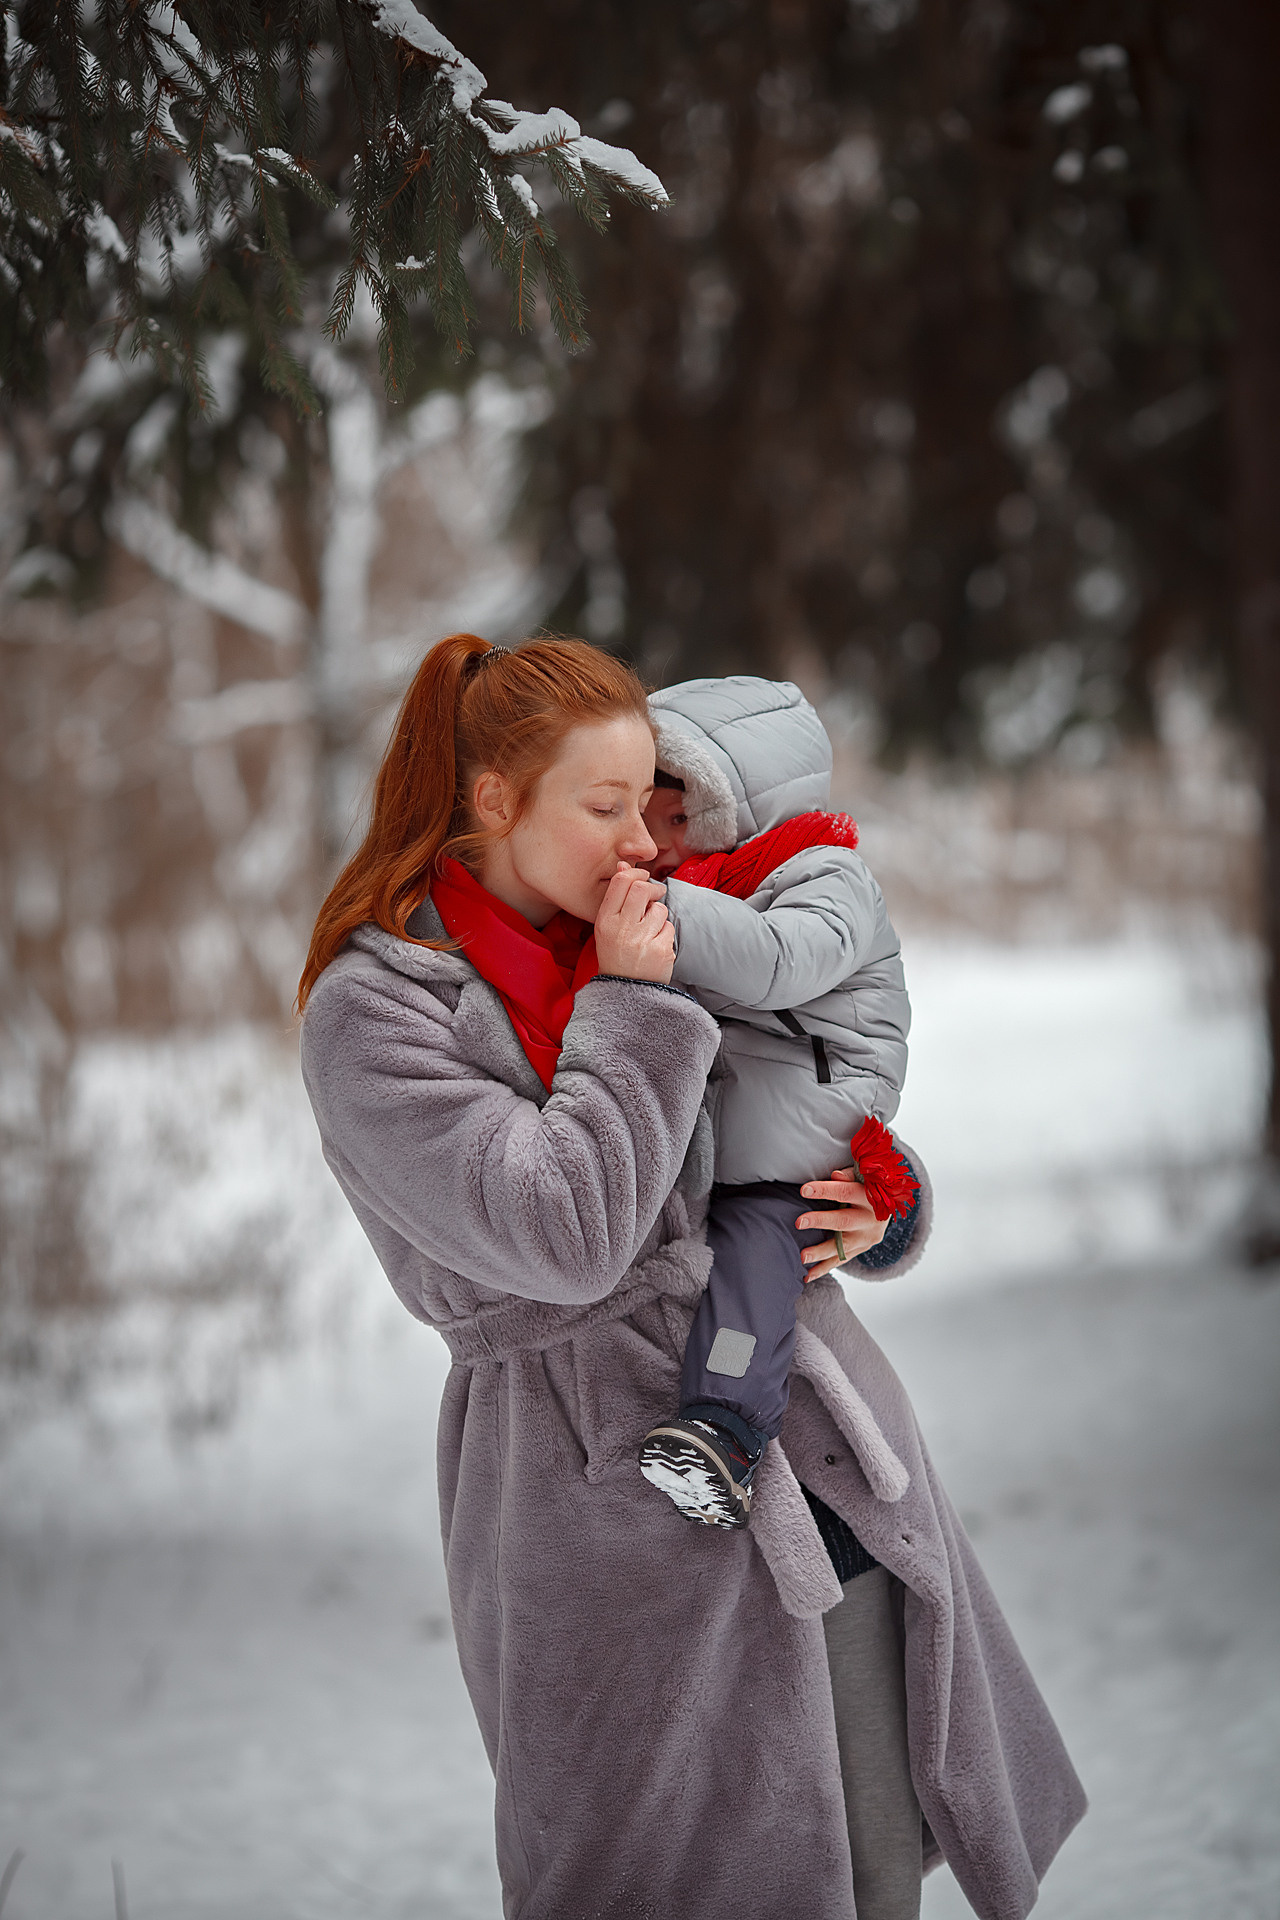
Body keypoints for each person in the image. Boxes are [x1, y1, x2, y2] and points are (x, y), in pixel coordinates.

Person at [297, 630, 1085, 1920]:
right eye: (604, 806)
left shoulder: (645, 927)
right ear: (494, 800)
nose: (645, 845)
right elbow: (566, 1234)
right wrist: (636, 1003)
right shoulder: (377, 1018)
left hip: (823, 1460)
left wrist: (875, 1201)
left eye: (644, 802)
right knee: (658, 1877)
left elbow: (789, 1104)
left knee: (870, 1872)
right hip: (605, 1503)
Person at [636, 675, 917, 1530]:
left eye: (675, 818)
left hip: (811, 1123)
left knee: (755, 1257)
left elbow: (779, 963)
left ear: (738, 804)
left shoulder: (828, 876)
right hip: (756, 1116)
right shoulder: (718, 886)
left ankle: (725, 1429)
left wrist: (665, 909)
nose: (654, 844)